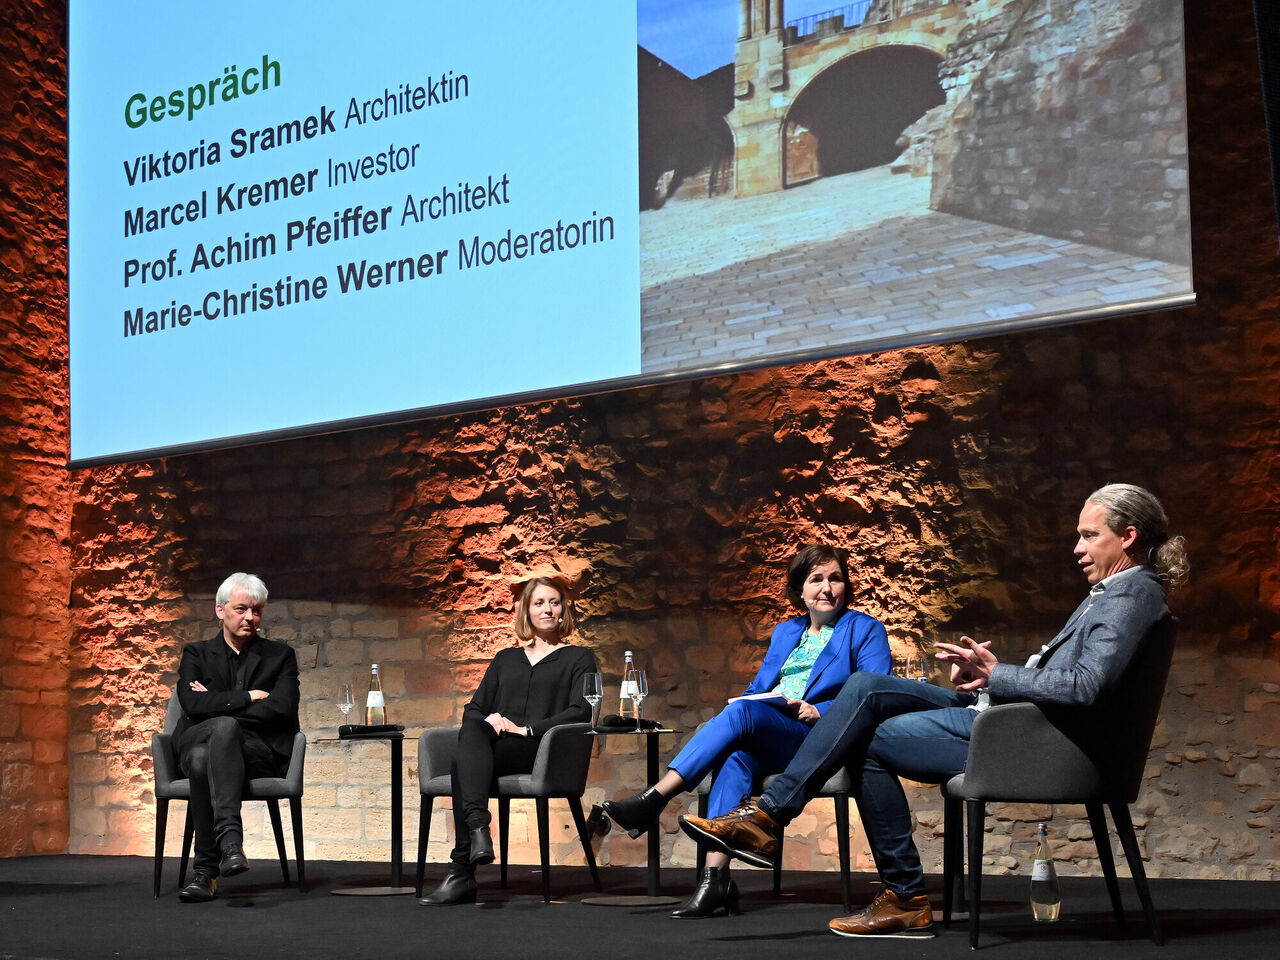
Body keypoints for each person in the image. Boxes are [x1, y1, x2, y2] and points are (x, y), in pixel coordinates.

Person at [678, 484, 1187, 939]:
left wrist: (1001, 674)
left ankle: (866, 873)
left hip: (1039, 740)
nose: (1077, 548)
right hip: (1011, 715)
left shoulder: (1132, 594)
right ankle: (787, 827)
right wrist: (986, 674)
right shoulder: (1117, 592)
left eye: (1088, 535)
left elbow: (1085, 687)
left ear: (1127, 536)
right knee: (867, 688)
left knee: (862, 730)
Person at [602, 544, 891, 918]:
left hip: (823, 737)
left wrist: (817, 709)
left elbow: (876, 693)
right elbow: (759, 689)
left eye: (835, 578)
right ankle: (714, 880)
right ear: (800, 590)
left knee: (740, 720)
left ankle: (654, 800)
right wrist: (749, 702)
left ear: (845, 585)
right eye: (816, 579)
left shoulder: (865, 630)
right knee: (735, 754)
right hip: (776, 732)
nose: (826, 588)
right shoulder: (786, 633)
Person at [418, 575, 599, 905]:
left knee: (464, 760)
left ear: (564, 611)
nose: (547, 609)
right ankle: (477, 832)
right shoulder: (505, 659)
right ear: (527, 611)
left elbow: (581, 711)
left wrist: (527, 729)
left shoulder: (579, 658)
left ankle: (464, 864)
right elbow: (474, 708)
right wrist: (491, 720)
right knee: (474, 727)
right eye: (539, 603)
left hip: (541, 749)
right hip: (498, 747)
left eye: (554, 602)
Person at [173, 572, 300, 903]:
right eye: (241, 608)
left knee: (209, 753)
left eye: (256, 611)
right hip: (194, 742)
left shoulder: (279, 656)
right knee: (215, 738)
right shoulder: (196, 654)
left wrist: (216, 705)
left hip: (256, 751)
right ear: (220, 610)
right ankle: (230, 843)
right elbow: (190, 704)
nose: (250, 618)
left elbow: (282, 709)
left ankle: (204, 872)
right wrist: (248, 697)